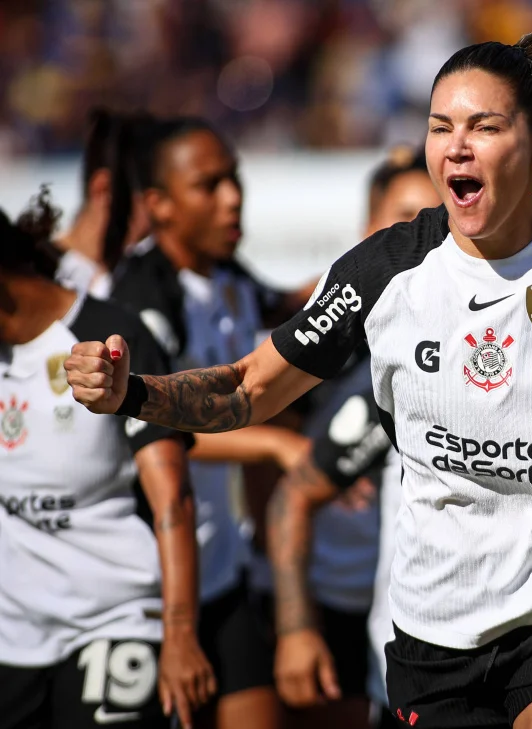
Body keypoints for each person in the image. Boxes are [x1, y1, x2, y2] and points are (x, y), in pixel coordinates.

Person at [66, 33, 532, 729]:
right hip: (433, 630)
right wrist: (135, 392)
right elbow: (246, 390)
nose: (456, 145)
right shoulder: (383, 271)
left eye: (482, 126)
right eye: (440, 125)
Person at [108, 117, 309, 729]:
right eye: (209, 184)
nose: (232, 197)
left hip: (221, 575)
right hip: (145, 593)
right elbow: (159, 436)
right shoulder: (136, 303)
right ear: (159, 205)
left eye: (235, 179)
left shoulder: (227, 276)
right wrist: (276, 445)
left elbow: (294, 307)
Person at [0, 190, 213, 729]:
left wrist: (180, 635)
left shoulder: (112, 337)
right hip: (15, 641)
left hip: (113, 620)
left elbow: (176, 502)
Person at [265, 147, 442, 729]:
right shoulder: (318, 328)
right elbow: (255, 434)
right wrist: (285, 451)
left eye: (434, 218)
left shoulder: (457, 325)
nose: (424, 236)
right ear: (370, 228)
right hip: (324, 593)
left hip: (414, 596)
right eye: (406, 217)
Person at [54, 109, 154, 299]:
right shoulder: (37, 276)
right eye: (150, 199)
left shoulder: (151, 280)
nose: (163, 213)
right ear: (103, 190)